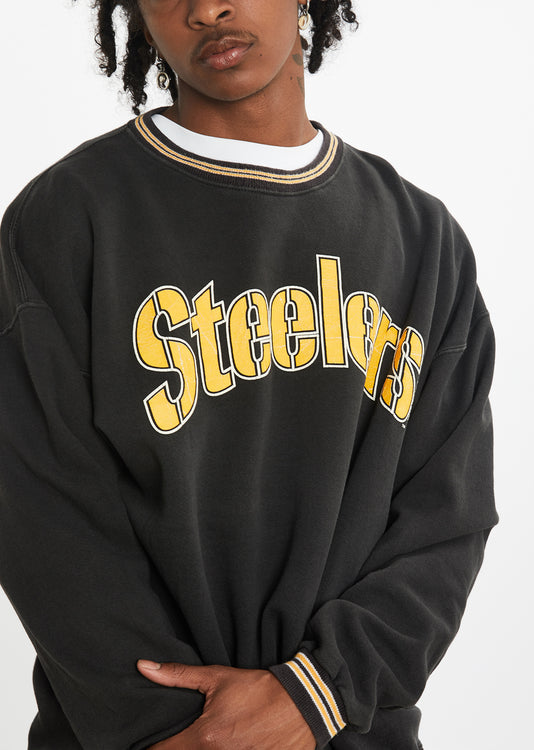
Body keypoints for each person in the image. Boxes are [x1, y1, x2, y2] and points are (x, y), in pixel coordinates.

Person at [0, 1, 498, 748]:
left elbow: (445, 521)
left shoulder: (425, 242)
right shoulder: (67, 218)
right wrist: (179, 729)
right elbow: (41, 515)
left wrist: (318, 694)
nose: (208, 9)